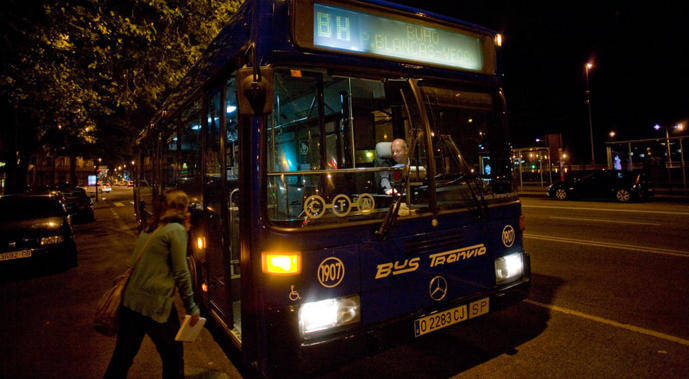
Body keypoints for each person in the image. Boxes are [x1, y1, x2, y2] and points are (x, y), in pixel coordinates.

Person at [105, 190, 200, 379]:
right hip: (155, 304)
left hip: (131, 302)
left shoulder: (152, 228)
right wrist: (191, 306)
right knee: (173, 356)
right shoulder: (176, 231)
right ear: (182, 208)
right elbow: (181, 272)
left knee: (122, 357)